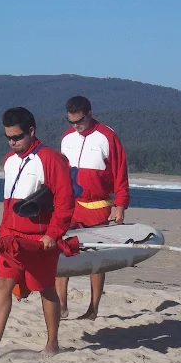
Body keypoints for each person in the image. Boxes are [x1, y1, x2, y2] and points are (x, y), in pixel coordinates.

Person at [0, 107, 75, 361]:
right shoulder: (10, 160)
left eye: (17, 137)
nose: (13, 142)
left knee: (45, 289)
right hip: (10, 238)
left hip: (39, 241)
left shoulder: (51, 159)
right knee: (3, 285)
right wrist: (1, 234)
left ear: (31, 131)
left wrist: (53, 234)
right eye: (8, 137)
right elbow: (8, 204)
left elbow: (65, 203)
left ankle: (52, 344)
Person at [56, 96, 130, 320]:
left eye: (78, 121)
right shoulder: (67, 137)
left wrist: (120, 205)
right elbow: (60, 172)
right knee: (61, 253)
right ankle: (61, 307)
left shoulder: (107, 136)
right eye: (71, 122)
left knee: (96, 260)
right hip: (71, 205)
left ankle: (93, 308)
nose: (75, 126)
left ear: (89, 114)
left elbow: (120, 172)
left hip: (99, 206)